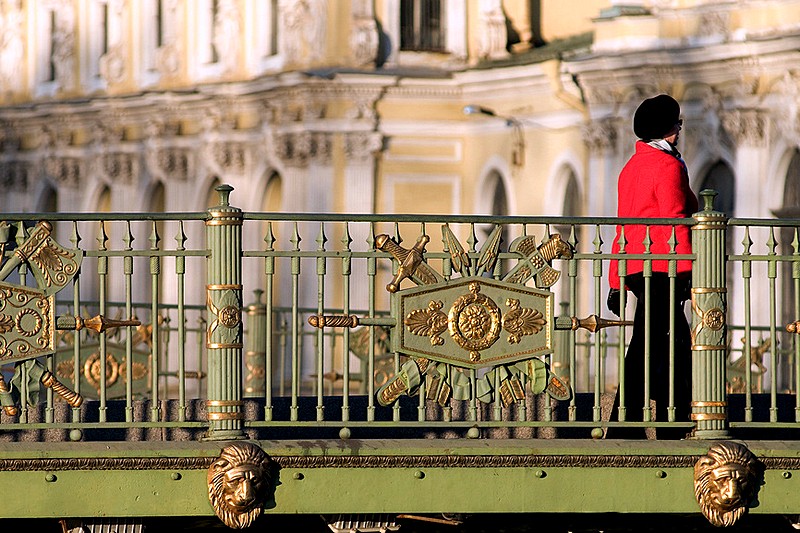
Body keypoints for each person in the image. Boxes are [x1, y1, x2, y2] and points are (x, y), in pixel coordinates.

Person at [606, 94, 698, 439]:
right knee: (655, 345)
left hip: (637, 269)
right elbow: (676, 220)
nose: (679, 129)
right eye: (677, 124)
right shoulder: (669, 166)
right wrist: (691, 272)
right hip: (665, 268)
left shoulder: (631, 168)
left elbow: (623, 226)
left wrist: (617, 281)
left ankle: (646, 421)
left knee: (658, 344)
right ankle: (645, 423)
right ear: (669, 131)